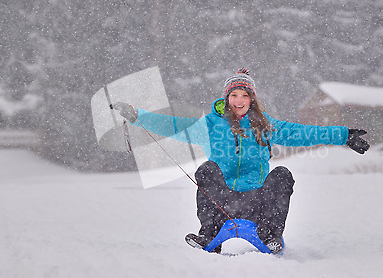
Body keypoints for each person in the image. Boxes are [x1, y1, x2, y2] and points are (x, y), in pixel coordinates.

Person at [113, 68, 369, 254]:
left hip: (258, 201)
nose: (239, 101)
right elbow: (173, 125)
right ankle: (209, 236)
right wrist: (137, 116)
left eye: (244, 96)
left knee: (282, 174)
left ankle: (271, 236)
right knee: (206, 169)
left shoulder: (265, 125)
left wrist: (344, 135)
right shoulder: (211, 125)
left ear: (251, 99)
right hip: (221, 199)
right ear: (227, 98)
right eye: (234, 95)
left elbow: (303, 132)